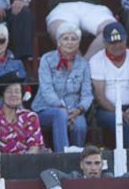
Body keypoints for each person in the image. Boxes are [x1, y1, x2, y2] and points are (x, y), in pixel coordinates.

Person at [32, 22, 92, 152]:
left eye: (73, 39)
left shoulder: (84, 64)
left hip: (74, 110)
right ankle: (62, 156)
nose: (70, 42)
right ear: (59, 42)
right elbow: (46, 90)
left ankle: (79, 160)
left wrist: (79, 109)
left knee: (80, 125)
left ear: (78, 43)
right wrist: (63, 109)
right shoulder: (47, 60)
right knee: (60, 115)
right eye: (65, 38)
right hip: (46, 108)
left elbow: (87, 94)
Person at [89, 21, 129, 148]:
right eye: (112, 42)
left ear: (126, 40)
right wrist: (118, 112)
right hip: (106, 109)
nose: (117, 45)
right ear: (104, 43)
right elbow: (100, 96)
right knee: (118, 122)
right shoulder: (96, 61)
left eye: (120, 41)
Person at [0, 71, 44, 153]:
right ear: (2, 96)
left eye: (17, 91)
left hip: (26, 162)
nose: (14, 95)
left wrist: (24, 163)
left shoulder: (30, 117)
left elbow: (34, 146)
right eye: (9, 91)